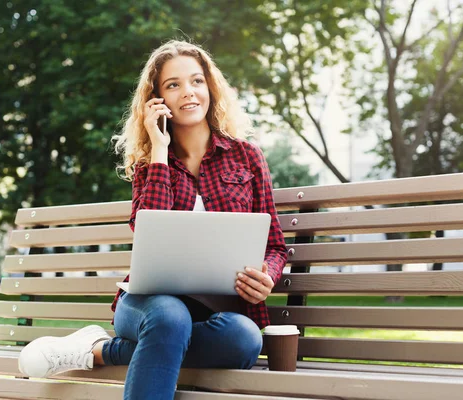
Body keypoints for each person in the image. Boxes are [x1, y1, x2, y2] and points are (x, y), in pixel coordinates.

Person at [18, 40, 287, 400]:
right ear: (156, 99)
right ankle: (126, 343)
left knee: (243, 339)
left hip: (220, 311)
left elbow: (275, 245)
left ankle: (95, 351)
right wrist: (159, 149)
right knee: (169, 319)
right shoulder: (150, 165)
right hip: (147, 303)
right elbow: (144, 228)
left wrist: (266, 274)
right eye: (173, 85)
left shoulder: (246, 157)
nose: (188, 93)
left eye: (196, 81)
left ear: (210, 87)